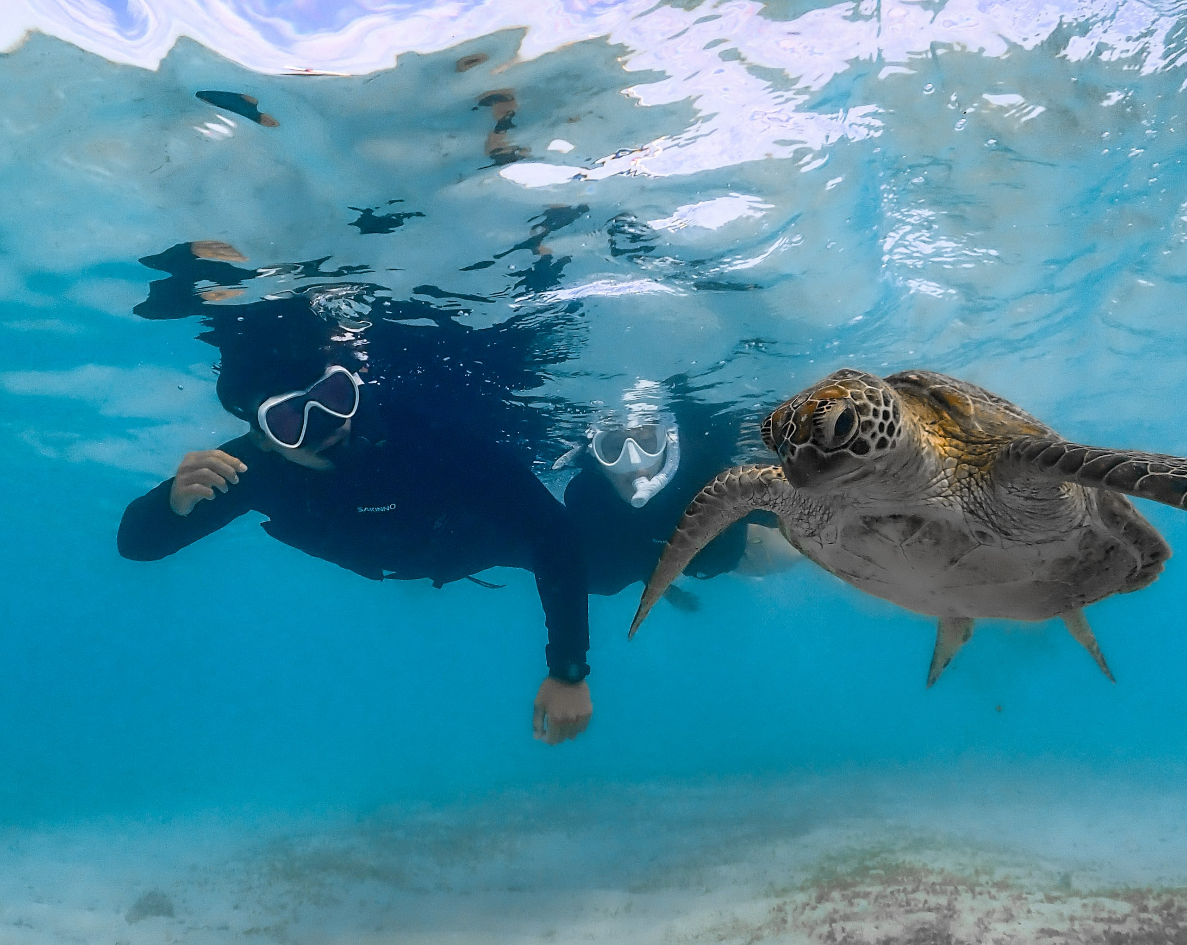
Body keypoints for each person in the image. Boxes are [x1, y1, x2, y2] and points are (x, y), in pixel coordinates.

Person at [117, 305, 593, 745]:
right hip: (408, 554)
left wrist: (569, 671)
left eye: (333, 397)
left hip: (483, 542)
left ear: (353, 385)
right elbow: (136, 544)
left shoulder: (430, 428)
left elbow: (554, 533)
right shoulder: (251, 471)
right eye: (288, 420)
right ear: (261, 440)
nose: (326, 426)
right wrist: (174, 504)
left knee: (604, 573)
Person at [559, 380, 766, 602]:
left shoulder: (707, 479)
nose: (636, 464)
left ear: (669, 444)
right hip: (662, 564)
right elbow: (629, 558)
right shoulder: (586, 503)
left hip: (731, 554)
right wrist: (664, 590)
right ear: (596, 461)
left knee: (776, 556)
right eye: (614, 448)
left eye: (648, 442)